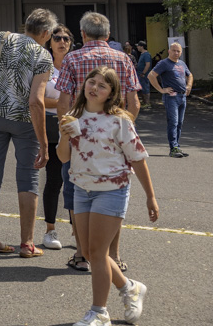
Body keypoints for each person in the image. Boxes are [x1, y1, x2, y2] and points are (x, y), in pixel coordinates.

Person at [57, 68, 156, 326]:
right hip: (82, 189)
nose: (94, 88)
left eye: (102, 86)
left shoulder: (119, 120)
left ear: (111, 93)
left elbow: (137, 159)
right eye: (92, 82)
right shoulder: (74, 115)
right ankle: (130, 288)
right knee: (91, 253)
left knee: (98, 253)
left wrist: (150, 197)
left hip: (112, 189)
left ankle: (99, 313)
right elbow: (64, 157)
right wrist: (64, 136)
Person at [55, 11, 142, 272]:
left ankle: (81, 254)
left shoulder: (72, 58)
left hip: (79, 137)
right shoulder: (123, 58)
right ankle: (113, 255)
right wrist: (121, 129)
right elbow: (134, 102)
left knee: (76, 191)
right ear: (108, 34)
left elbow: (63, 102)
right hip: (115, 137)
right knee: (114, 193)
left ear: (82, 34)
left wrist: (69, 131)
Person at [0, 9, 54, 258]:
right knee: (28, 179)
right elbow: (36, 101)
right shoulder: (43, 55)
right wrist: (44, 143)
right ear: (45, 33)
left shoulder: (0, 38)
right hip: (24, 122)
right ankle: (27, 243)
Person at [41, 25, 72, 253]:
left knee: (75, 181)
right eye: (58, 38)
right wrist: (64, 103)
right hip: (51, 128)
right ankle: (50, 230)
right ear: (50, 42)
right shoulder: (45, 67)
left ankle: (77, 229)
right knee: (54, 180)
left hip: (74, 127)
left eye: (66, 38)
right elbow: (39, 98)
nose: (62, 41)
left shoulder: (75, 65)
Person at [148, 42, 193, 158]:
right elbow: (151, 75)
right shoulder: (164, 63)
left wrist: (189, 86)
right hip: (171, 97)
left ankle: (177, 146)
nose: (176, 53)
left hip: (182, 97)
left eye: (178, 51)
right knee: (173, 122)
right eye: (174, 50)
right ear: (169, 51)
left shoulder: (182, 63)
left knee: (179, 123)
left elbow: (190, 75)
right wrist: (161, 90)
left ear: (181, 52)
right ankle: (173, 148)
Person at [133, 42, 152, 108]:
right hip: (140, 73)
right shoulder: (142, 54)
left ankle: (147, 103)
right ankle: (144, 102)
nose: (137, 47)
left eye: (138, 46)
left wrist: (143, 73)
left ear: (142, 46)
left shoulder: (146, 54)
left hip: (144, 74)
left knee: (145, 88)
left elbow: (147, 64)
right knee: (142, 88)